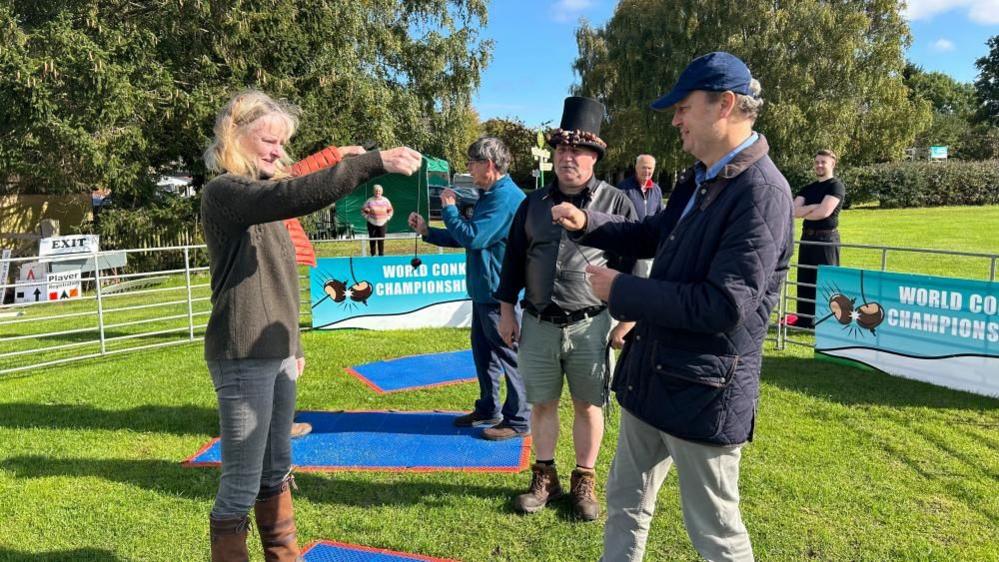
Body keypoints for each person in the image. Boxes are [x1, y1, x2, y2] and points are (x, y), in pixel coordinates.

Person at [552, 52, 794, 561]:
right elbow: (654, 234)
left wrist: (621, 291)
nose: (676, 119)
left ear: (724, 105)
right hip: (653, 378)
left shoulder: (762, 192)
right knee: (625, 505)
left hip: (705, 393)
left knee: (715, 533)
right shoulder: (702, 176)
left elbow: (723, 304)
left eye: (684, 107)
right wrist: (589, 222)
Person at [200, 88, 421, 561]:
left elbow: (278, 280)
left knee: (276, 469)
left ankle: (284, 555)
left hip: (276, 353)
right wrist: (369, 163)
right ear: (234, 137)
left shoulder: (265, 201)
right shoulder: (227, 193)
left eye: (282, 143)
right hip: (241, 355)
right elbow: (293, 192)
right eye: (269, 140)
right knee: (239, 486)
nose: (278, 151)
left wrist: (293, 345)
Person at [495, 96, 637, 522]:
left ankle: (584, 481)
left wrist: (627, 321)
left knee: (587, 405)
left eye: (577, 151)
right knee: (541, 404)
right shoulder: (532, 204)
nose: (567, 157)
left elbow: (638, 268)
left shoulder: (616, 205)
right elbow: (513, 260)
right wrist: (506, 310)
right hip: (537, 322)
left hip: (591, 324)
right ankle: (544, 477)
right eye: (560, 150)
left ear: (594, 157)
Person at [407, 137, 530, 440]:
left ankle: (518, 419)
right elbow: (470, 238)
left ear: (488, 164)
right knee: (484, 355)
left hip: (499, 295)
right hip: (485, 292)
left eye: (471, 163)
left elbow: (473, 237)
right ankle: (489, 409)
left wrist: (448, 210)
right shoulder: (491, 194)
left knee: (508, 356)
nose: (468, 169)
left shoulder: (504, 198)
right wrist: (428, 232)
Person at [790, 149, 846, 329]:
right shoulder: (808, 188)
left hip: (826, 240)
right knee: (805, 280)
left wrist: (808, 209)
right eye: (817, 162)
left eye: (823, 162)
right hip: (807, 239)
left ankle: (828, 322)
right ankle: (805, 321)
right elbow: (792, 211)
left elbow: (824, 212)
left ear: (832, 164)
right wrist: (814, 207)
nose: (819, 165)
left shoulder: (835, 186)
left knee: (827, 282)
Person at [616, 154, 663, 222]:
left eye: (649, 168)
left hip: (650, 232)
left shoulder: (656, 190)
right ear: (636, 168)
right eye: (643, 167)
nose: (646, 171)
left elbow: (660, 214)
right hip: (630, 231)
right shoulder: (623, 188)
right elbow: (617, 215)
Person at [361, 184, 393, 256]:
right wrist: (367, 217)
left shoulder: (386, 200)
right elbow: (363, 210)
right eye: (376, 191)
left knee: (381, 240)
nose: (377, 192)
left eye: (379, 191)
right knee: (372, 240)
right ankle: (373, 255)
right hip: (371, 223)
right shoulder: (369, 201)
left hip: (383, 223)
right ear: (373, 192)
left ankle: (381, 255)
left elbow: (391, 210)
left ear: (381, 192)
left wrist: (388, 217)